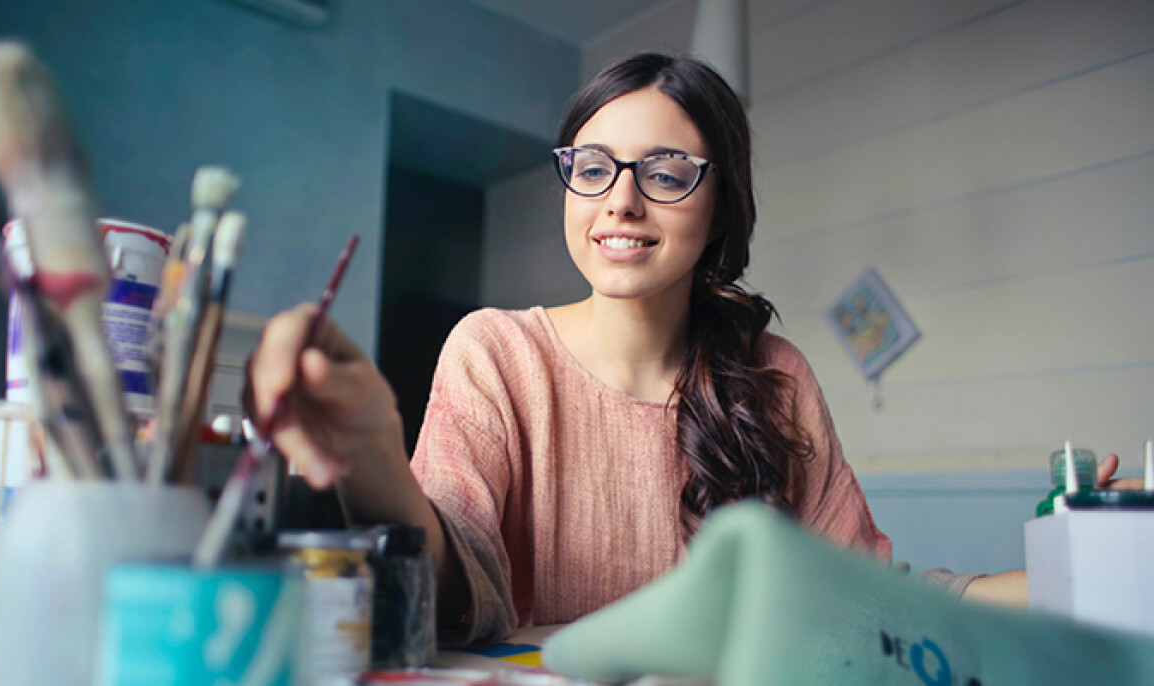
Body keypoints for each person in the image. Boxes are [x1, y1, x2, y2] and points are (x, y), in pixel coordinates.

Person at [245, 53, 1130, 645]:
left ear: (719, 209)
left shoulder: (773, 378)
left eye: (667, 173)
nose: (621, 201)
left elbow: (866, 602)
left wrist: (1078, 558)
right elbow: (454, 589)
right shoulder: (496, 354)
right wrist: (374, 462)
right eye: (593, 167)